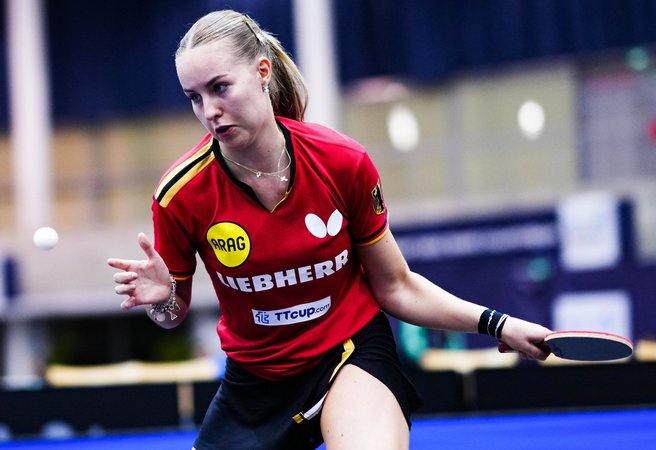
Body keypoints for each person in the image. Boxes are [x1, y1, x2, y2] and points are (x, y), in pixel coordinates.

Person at [107, 9, 551, 450]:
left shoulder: (341, 162)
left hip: (350, 353)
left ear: (263, 72)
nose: (210, 111)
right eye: (195, 97)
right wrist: (163, 299)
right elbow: (171, 316)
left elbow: (397, 287)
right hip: (256, 384)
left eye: (220, 87)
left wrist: (498, 324)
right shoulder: (180, 194)